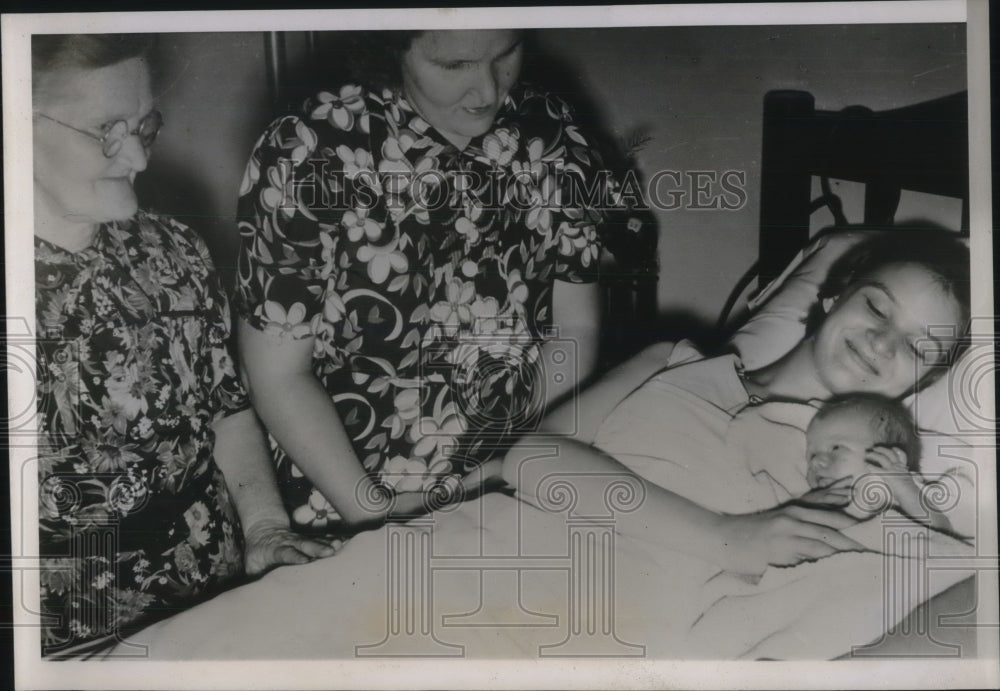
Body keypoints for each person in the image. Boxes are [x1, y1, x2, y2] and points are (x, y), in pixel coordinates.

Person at [235, 29, 627, 533]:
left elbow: (575, 332)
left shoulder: (550, 134)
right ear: (390, 48)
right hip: (344, 500)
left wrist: (515, 460)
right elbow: (276, 375)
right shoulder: (309, 151)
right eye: (454, 66)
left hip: (505, 479)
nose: (488, 90)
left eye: (506, 54)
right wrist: (374, 512)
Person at [32, 34, 336, 657]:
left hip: (221, 588)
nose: (138, 159)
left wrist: (265, 530)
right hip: (75, 639)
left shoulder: (173, 248)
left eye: (145, 125)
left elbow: (226, 408)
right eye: (106, 130)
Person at [500, 230, 970, 577]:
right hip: (487, 544)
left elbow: (941, 566)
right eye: (876, 308)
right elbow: (528, 456)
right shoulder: (668, 358)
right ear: (832, 296)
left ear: (922, 382)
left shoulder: (860, 471)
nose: (884, 342)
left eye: (917, 348)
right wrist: (724, 537)